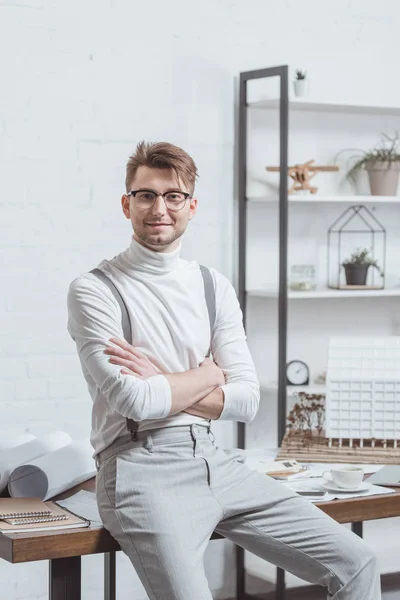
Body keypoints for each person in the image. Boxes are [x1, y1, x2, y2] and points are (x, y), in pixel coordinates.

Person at [67, 141, 381, 600]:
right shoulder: (95, 290)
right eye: (146, 195)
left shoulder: (213, 285)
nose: (160, 208)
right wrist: (211, 374)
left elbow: (248, 400)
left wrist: (163, 380)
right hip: (141, 469)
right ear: (126, 204)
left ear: (191, 207)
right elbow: (134, 401)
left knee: (357, 563)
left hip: (217, 460)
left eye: (174, 196)